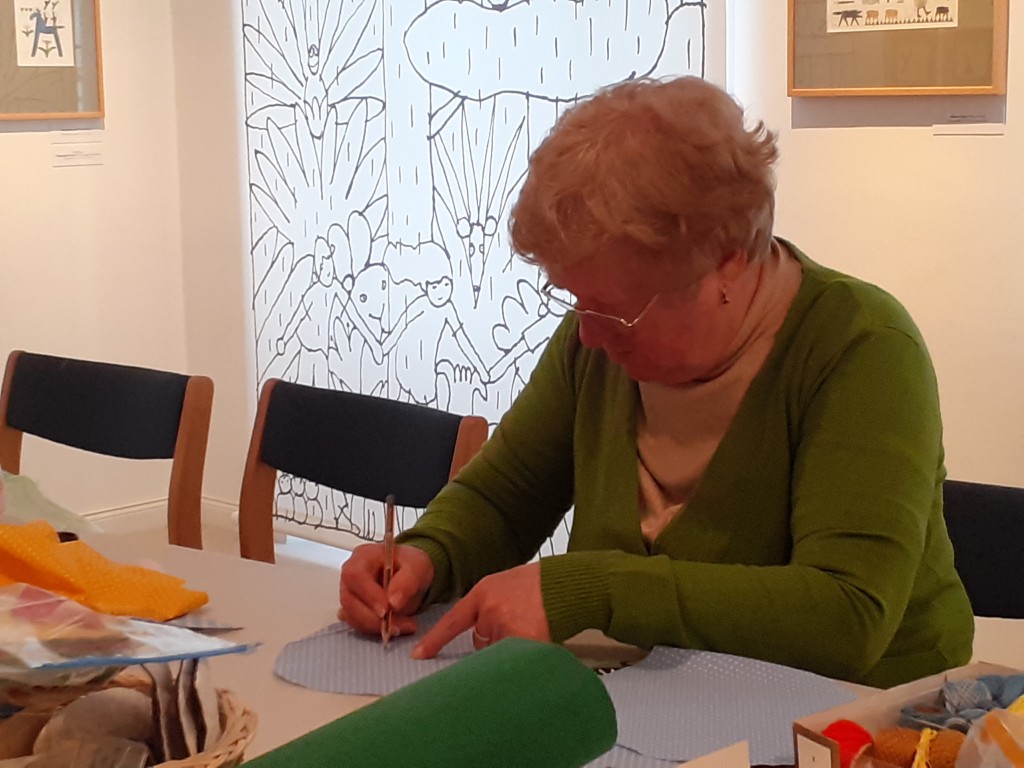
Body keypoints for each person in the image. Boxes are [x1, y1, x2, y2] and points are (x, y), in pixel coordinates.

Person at [338, 76, 974, 688]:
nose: (588, 333)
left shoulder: (862, 348)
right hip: (650, 703)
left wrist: (594, 590)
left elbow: (846, 614)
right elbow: (506, 499)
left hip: (854, 720)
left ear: (728, 264)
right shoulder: (596, 339)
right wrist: (427, 557)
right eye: (575, 300)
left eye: (616, 310)